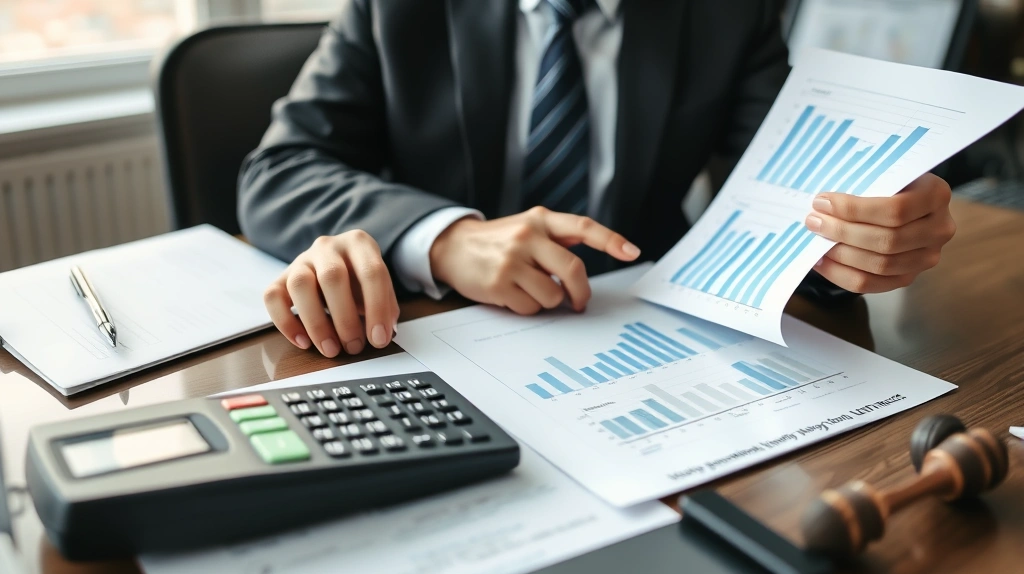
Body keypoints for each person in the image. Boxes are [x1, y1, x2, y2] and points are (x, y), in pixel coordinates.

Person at [241, 0, 956, 358]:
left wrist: (856, 234)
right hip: (436, 339)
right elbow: (279, 170)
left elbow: (790, 188)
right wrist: (447, 240)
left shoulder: (728, 11)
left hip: (651, 343)